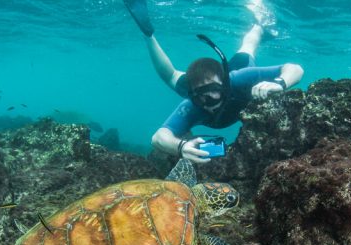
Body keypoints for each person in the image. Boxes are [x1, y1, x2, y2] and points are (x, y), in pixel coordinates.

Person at [124, 0, 304, 163]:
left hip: (235, 70)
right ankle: (148, 35)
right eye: (201, 97)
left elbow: (295, 68)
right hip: (198, 81)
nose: (208, 102)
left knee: (248, 45)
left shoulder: (239, 79)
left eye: (213, 91)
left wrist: (280, 83)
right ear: (193, 94)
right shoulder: (192, 103)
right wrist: (181, 147)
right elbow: (158, 138)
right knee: (170, 76)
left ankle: (258, 24)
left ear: (224, 85)